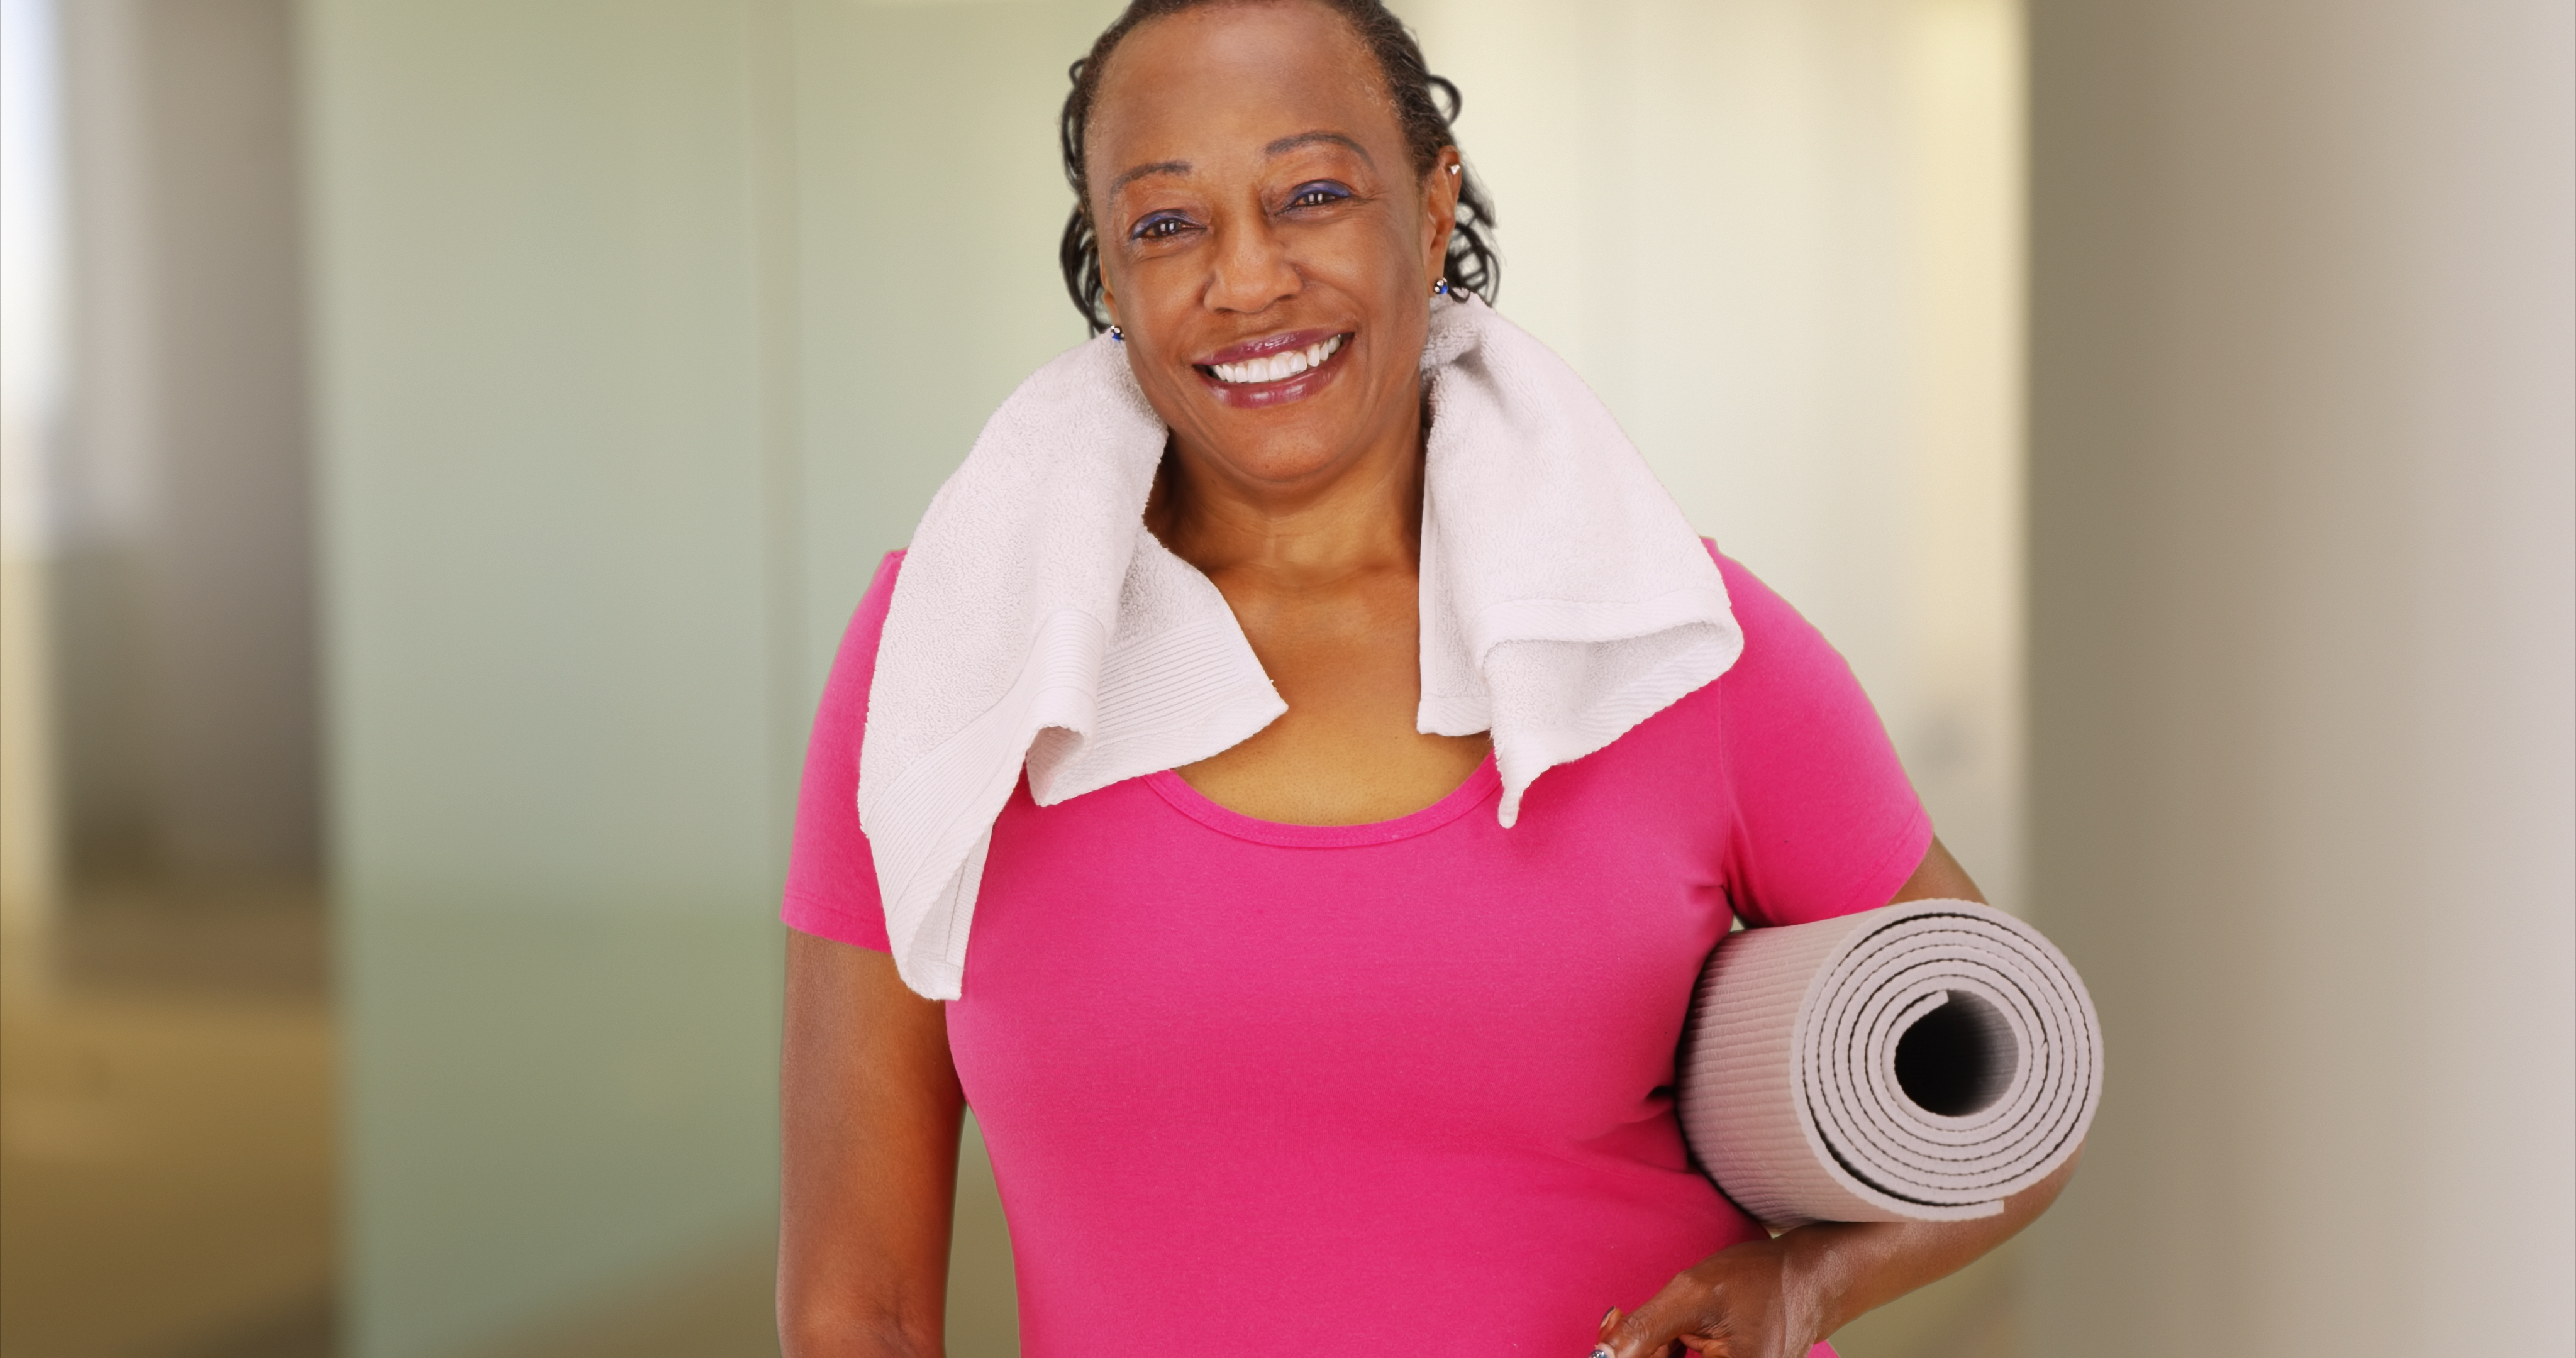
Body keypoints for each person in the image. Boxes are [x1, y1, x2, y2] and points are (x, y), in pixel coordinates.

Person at [777, 2, 2077, 1355]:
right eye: (1166, 224)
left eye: (1314, 195)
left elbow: (2016, 1093)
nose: (1247, 279)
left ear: (1431, 194)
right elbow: (851, 1305)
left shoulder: (1668, 650)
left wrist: (1804, 1286)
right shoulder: (953, 665)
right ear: (1106, 261)